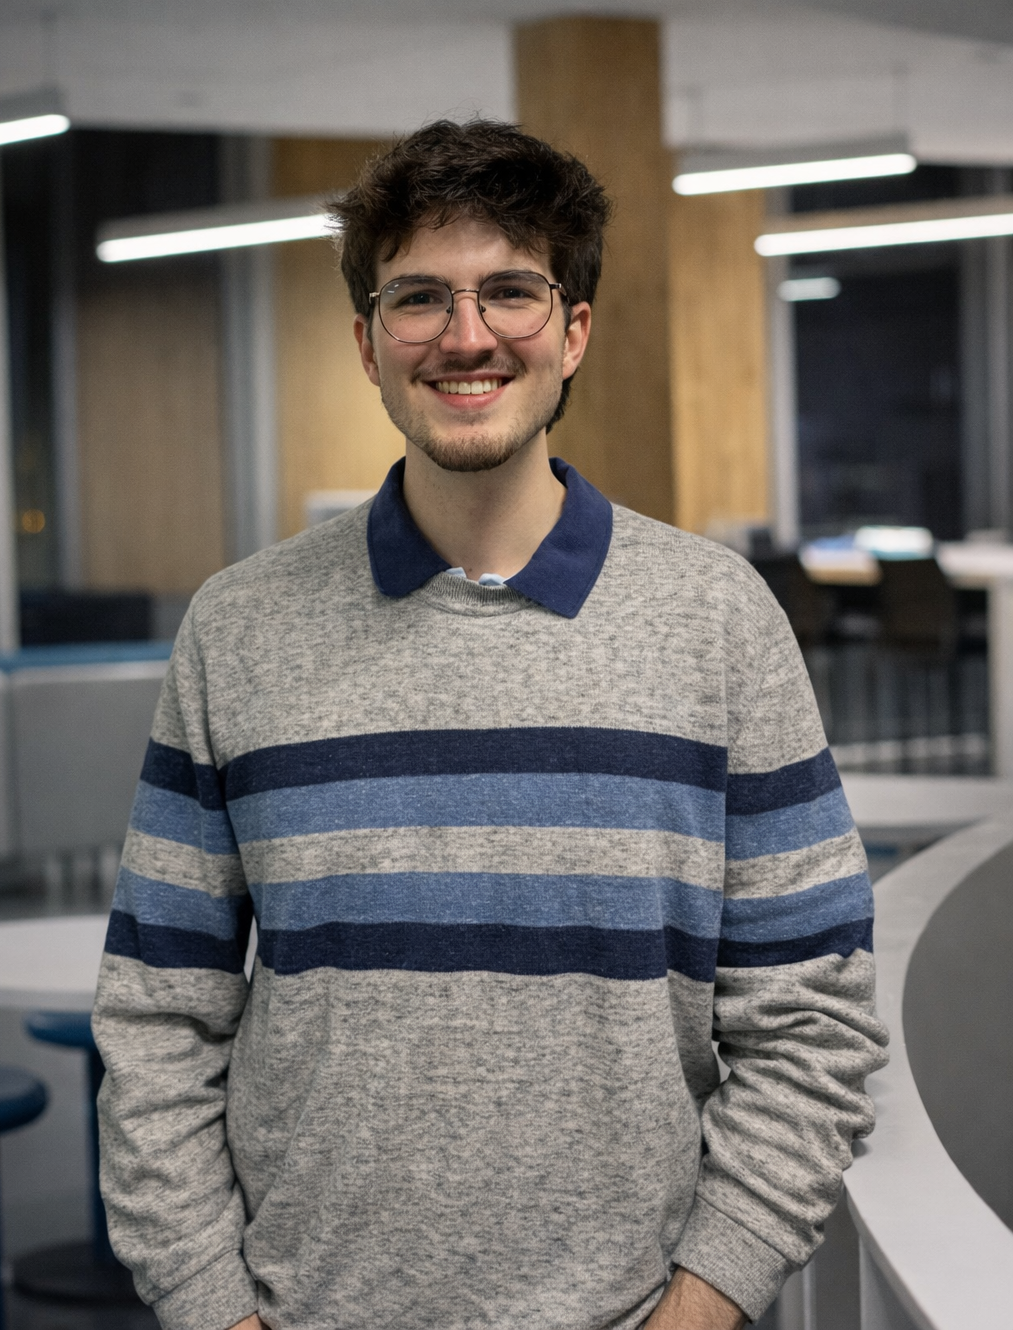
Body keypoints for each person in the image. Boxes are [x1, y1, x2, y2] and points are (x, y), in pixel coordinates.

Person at [92, 119, 889, 1330]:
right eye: (418, 297)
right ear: (366, 341)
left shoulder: (718, 622)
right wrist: (216, 1309)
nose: (465, 336)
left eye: (509, 289)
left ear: (573, 328)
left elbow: (812, 1022)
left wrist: (700, 1303)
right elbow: (158, 1020)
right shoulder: (238, 630)